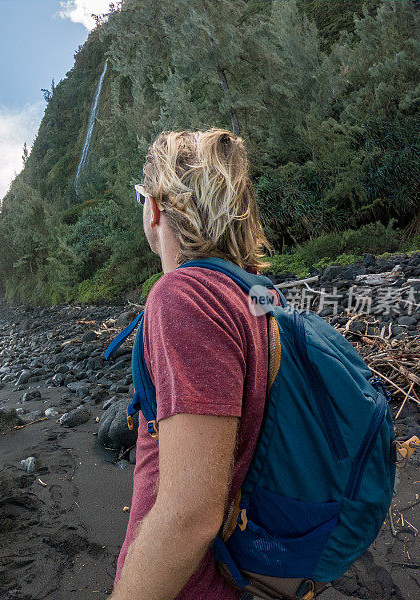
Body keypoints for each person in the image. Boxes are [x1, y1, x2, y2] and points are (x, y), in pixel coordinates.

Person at [109, 129, 273, 600]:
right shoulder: (259, 294)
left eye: (142, 196)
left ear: (157, 206)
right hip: (240, 565)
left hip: (188, 583)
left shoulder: (183, 297)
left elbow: (188, 516)